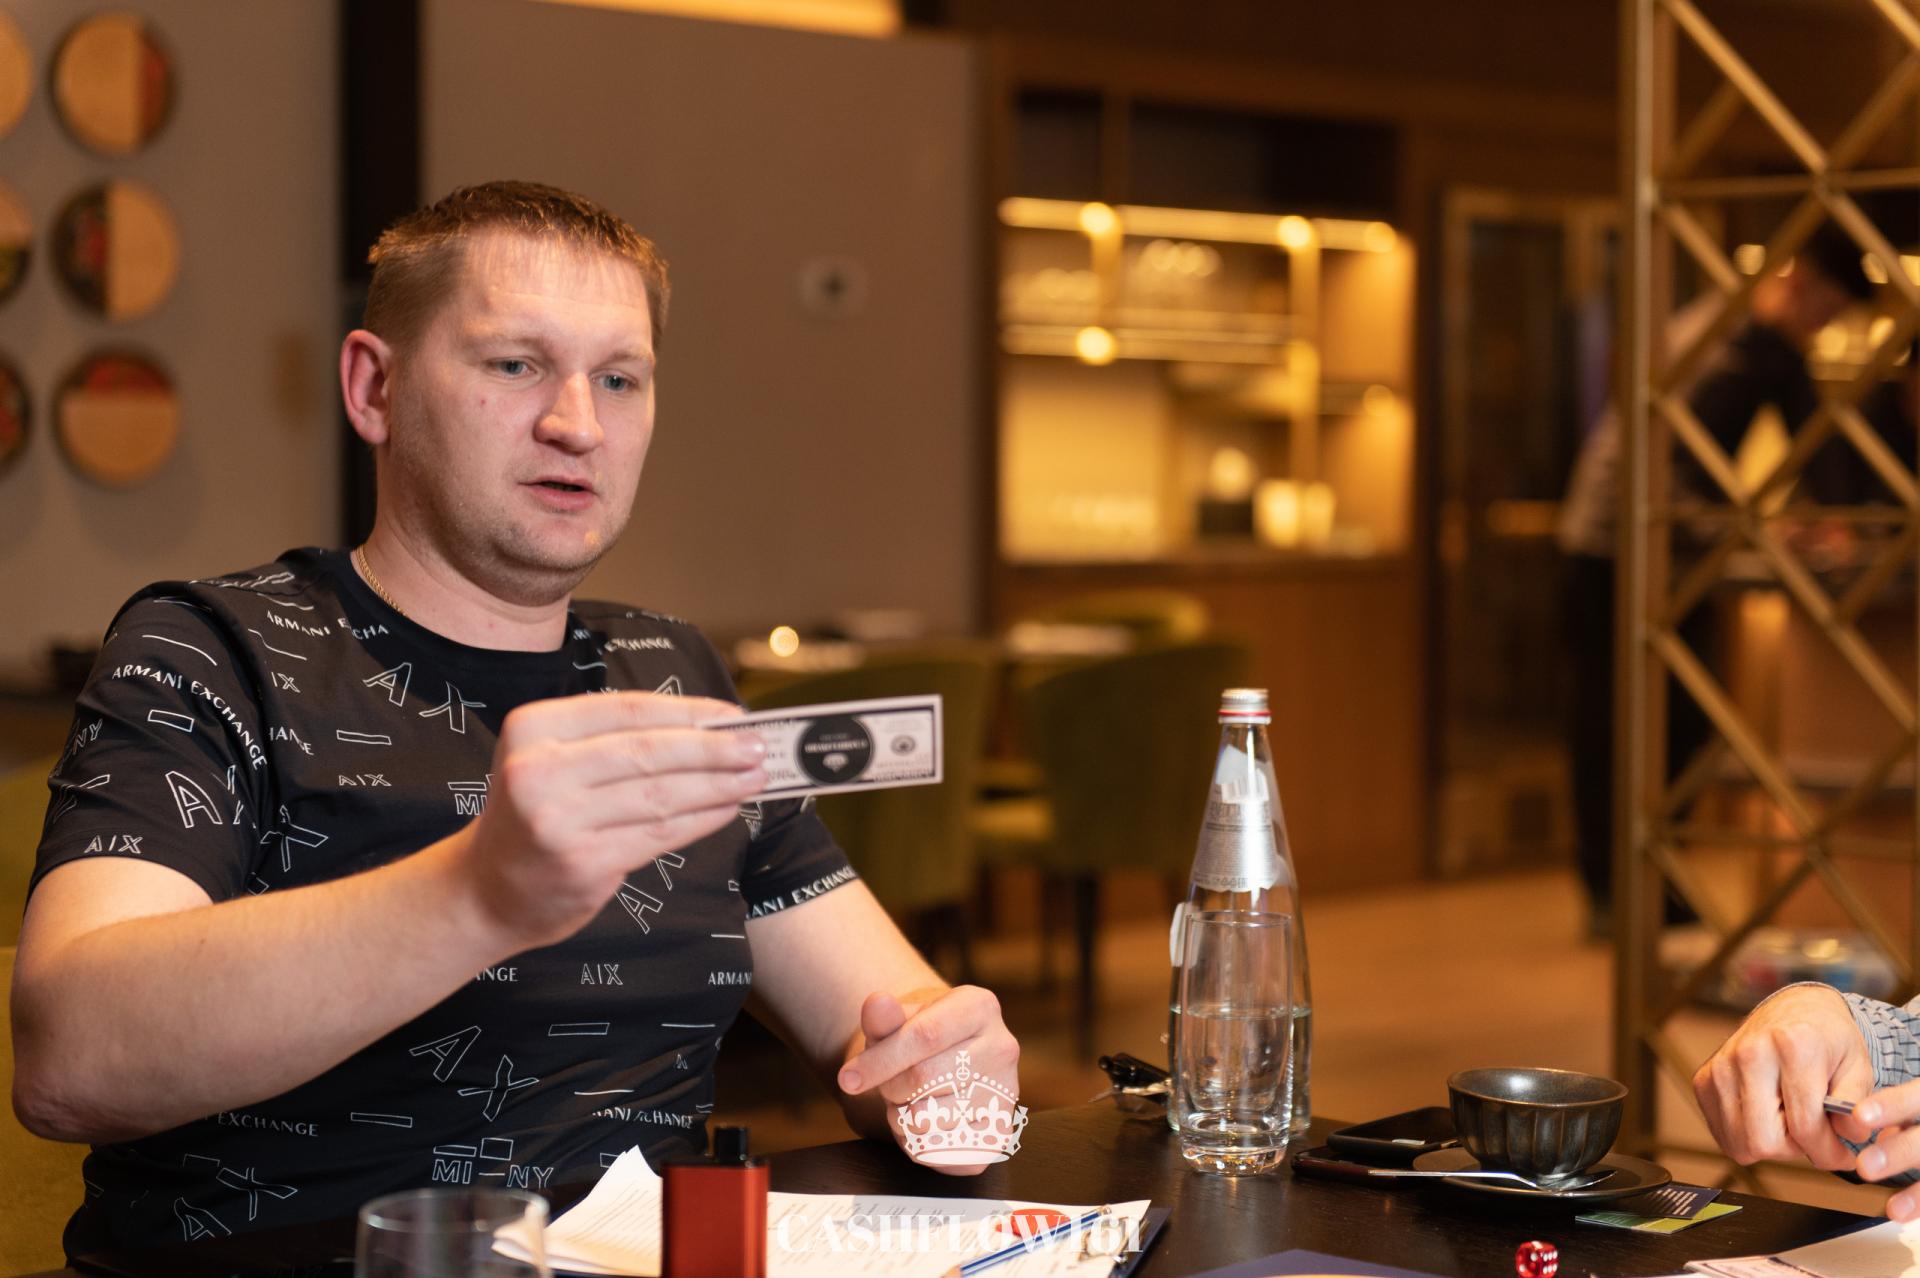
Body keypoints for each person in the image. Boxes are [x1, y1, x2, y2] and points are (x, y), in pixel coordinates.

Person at [10, 181, 1020, 1254]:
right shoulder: (213, 651)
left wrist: (945, 1068)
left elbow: (887, 1023)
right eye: (513, 364)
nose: (576, 424)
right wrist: (482, 893)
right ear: (374, 388)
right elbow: (71, 1060)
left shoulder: (669, 671)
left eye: (619, 379)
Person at [1556, 224, 1877, 935]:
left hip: (1674, 557)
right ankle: (1612, 893)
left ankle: (1651, 888)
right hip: (1612, 550)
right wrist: (1757, 530)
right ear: (1795, 284)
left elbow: (1804, 449)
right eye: (1824, 312)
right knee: (1615, 725)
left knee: (1682, 726)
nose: (1821, 329)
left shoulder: (1767, 352)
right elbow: (1660, 476)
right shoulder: (1722, 344)